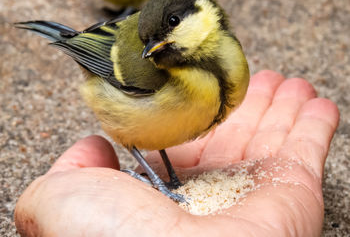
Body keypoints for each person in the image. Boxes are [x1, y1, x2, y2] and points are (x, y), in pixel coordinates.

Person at [14, 70, 339, 236]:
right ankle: (157, 177)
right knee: (137, 135)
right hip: (117, 92)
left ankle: (163, 176)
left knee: (161, 135)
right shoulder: (154, 67)